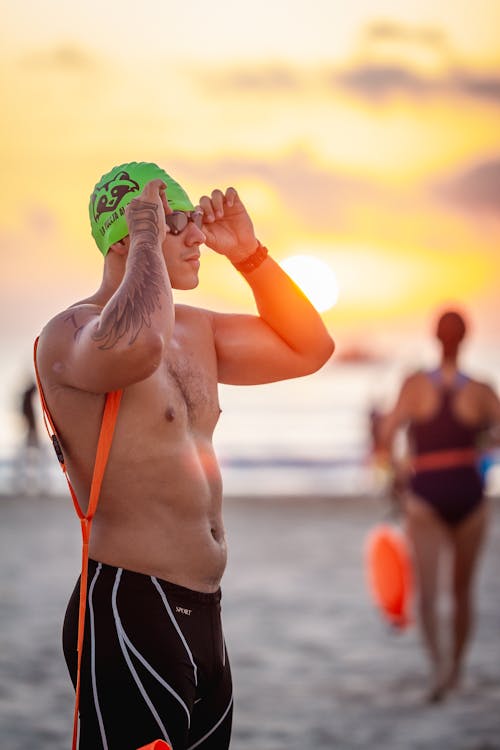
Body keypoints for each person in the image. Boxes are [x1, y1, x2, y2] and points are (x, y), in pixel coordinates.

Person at [34, 161, 334, 750]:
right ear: (126, 236)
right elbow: (138, 346)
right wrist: (149, 238)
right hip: (130, 610)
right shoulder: (71, 333)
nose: (197, 236)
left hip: (205, 616)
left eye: (192, 220)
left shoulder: (198, 331)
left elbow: (310, 348)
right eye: (179, 222)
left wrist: (250, 255)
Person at [376, 309, 500, 702]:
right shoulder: (481, 389)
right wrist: (483, 452)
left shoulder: (413, 385)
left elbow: (386, 434)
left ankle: (439, 671)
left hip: (425, 495)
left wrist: (396, 475)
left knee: (428, 593)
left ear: (435, 337)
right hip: (470, 494)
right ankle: (457, 669)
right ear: (465, 337)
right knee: (462, 591)